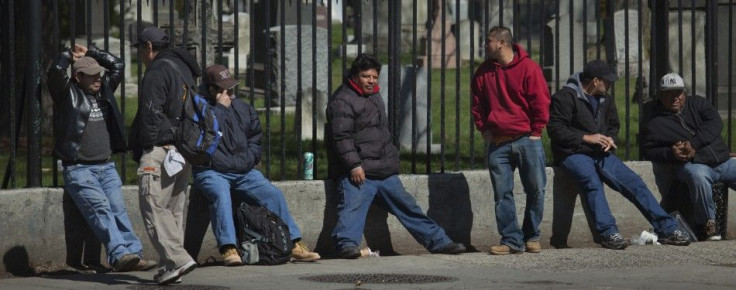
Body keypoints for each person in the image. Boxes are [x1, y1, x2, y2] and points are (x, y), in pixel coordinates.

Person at [325, 53, 466, 259]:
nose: (371, 81)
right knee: (351, 208)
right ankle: (345, 245)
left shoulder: (374, 95)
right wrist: (354, 165)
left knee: (410, 208)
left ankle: (440, 242)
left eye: (374, 77)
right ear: (355, 76)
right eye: (366, 76)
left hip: (384, 172)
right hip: (359, 172)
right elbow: (341, 137)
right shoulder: (342, 100)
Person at [547, 60, 691, 250]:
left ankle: (668, 228)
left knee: (634, 182)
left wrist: (609, 138)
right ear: (595, 80)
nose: (610, 84)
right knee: (592, 183)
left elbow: (614, 125)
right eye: (607, 81)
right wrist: (586, 138)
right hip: (573, 154)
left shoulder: (605, 98)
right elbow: (556, 130)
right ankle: (608, 233)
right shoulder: (565, 97)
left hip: (600, 153)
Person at [192, 64, 321, 266]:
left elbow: (255, 139)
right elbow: (201, 140)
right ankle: (228, 248)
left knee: (273, 194)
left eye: (232, 88)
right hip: (211, 170)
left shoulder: (243, 108)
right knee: (220, 194)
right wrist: (220, 109)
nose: (230, 93)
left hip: (243, 170)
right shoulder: (199, 109)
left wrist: (249, 159)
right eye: (224, 89)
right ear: (211, 90)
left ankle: (293, 242)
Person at [47, 43, 156, 272]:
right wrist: (67, 53)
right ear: (77, 77)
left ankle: (133, 254)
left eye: (99, 74)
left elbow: (118, 65)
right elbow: (55, 72)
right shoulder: (67, 94)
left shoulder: (105, 88)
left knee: (118, 209)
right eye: (91, 75)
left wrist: (91, 53)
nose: (98, 79)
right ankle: (119, 255)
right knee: (101, 210)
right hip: (79, 169)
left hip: (106, 166)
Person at [470, 26, 549, 255]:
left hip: (527, 139)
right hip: (498, 143)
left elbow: (540, 102)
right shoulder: (483, 72)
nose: (486, 46)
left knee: (536, 190)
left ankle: (531, 235)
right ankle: (511, 239)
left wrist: (536, 131)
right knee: (502, 193)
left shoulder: (528, 69)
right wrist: (483, 128)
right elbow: (478, 104)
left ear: (502, 43)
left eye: (489, 41)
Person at [129, 25, 198, 284]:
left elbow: (151, 112)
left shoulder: (157, 70)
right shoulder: (183, 68)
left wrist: (146, 147)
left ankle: (179, 259)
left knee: (153, 207)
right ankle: (171, 266)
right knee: (173, 210)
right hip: (182, 150)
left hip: (159, 150)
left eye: (139, 49)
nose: (139, 54)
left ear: (148, 47)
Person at [643, 72, 736, 241]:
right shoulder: (655, 120)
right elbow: (649, 150)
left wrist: (694, 143)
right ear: (660, 95)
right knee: (698, 176)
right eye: (668, 94)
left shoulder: (697, 103)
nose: (675, 98)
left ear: (684, 93)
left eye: (678, 93)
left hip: (722, 161)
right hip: (693, 165)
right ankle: (709, 226)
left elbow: (715, 122)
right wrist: (670, 153)